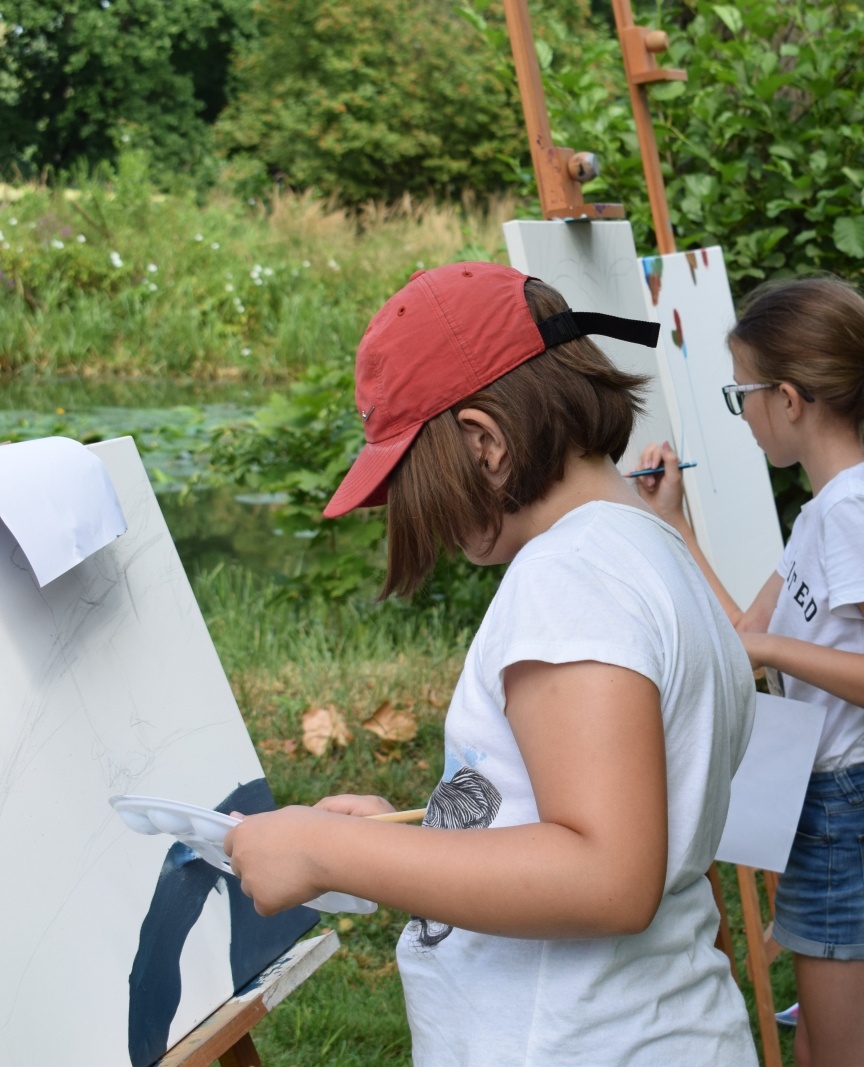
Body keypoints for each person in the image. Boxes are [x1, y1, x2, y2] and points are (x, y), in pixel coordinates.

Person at [223, 263, 759, 1067]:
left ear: (485, 441)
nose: (423, 518)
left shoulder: (569, 578)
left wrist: (324, 851)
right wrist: (418, 837)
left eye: (416, 481)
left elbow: (606, 873)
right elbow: (617, 817)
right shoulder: (652, 552)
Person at [636, 276, 864, 1067]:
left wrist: (776, 653)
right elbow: (744, 635)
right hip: (830, 806)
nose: (744, 414)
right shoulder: (824, 511)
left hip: (855, 810)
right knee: (820, 1048)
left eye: (741, 395)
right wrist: (675, 524)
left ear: (787, 400)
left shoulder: (853, 513)